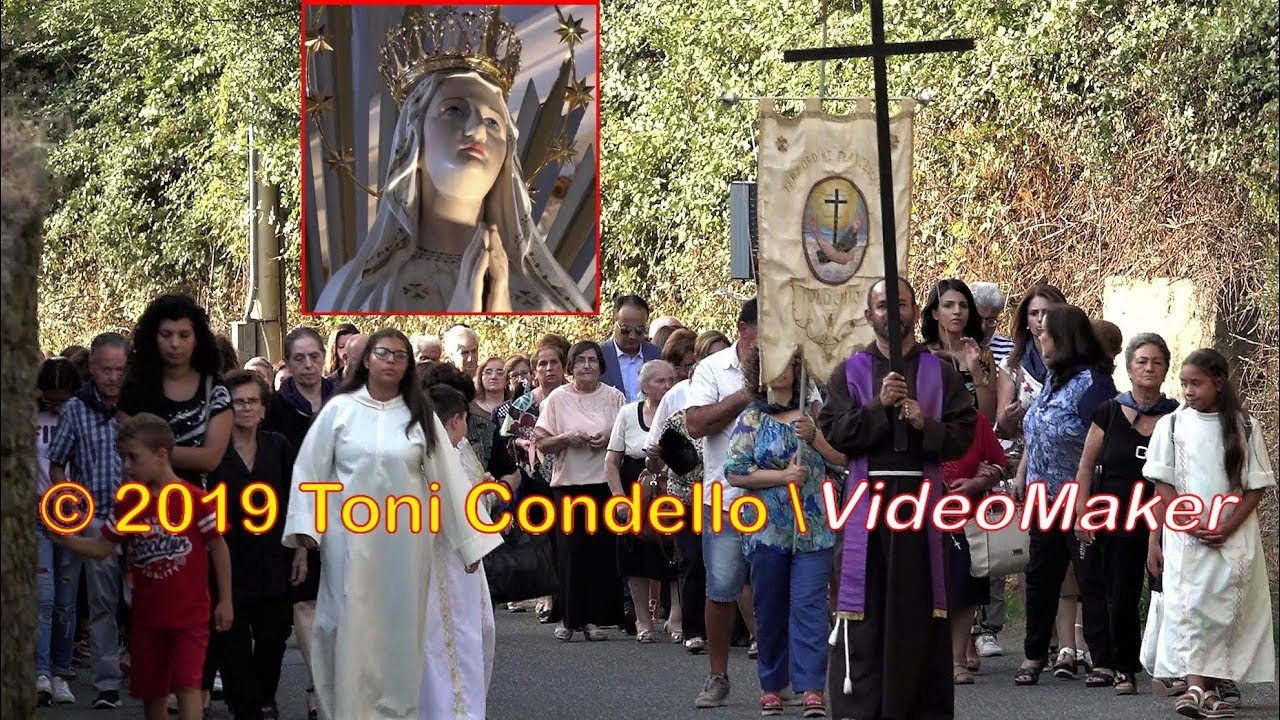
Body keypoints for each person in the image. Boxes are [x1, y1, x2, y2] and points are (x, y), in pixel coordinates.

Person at [281, 329, 502, 720]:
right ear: (366, 360)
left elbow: (449, 481)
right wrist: (305, 529)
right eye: (383, 353)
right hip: (351, 543)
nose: (391, 362)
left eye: (400, 356)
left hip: (408, 546)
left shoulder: (419, 418)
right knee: (348, 636)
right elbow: (311, 470)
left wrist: (471, 541)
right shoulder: (339, 413)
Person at [314, 7, 590, 312]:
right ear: (412, 143)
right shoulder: (360, 291)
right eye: (454, 110)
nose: (477, 131)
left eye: (493, 123)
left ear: (506, 160)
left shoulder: (544, 295)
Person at [817, 277, 977, 720]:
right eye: (883, 305)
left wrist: (926, 424)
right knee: (862, 614)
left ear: (913, 312)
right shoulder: (849, 372)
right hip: (866, 507)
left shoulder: (940, 371)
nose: (893, 313)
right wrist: (877, 408)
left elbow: (964, 435)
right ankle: (860, 709)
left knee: (918, 612)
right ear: (870, 316)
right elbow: (835, 432)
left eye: (901, 304)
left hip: (920, 508)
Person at [53, 414, 233, 720]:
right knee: (152, 693)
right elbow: (103, 547)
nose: (126, 466)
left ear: (161, 455)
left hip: (190, 616)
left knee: (187, 686)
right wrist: (66, 539)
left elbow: (218, 546)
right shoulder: (130, 503)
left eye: (133, 458)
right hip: (147, 618)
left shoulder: (195, 499)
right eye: (122, 457)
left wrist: (226, 600)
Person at [116, 293, 234, 710]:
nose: (175, 343)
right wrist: (154, 457)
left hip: (200, 504)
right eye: (166, 334)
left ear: (196, 338)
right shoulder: (135, 388)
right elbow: (128, 447)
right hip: (143, 509)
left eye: (184, 334)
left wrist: (157, 454)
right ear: (154, 336)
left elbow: (212, 456)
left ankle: (196, 694)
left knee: (198, 606)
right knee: (147, 601)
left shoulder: (214, 390)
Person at [1143, 349, 1275, 718]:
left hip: (1232, 536)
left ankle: (1209, 690)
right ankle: (1196, 686)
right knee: (1192, 608)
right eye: (1184, 383)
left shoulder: (1245, 426)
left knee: (1222, 611)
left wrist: (1228, 526)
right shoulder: (1170, 426)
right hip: (1187, 535)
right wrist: (1184, 522)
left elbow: (1256, 486)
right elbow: (1162, 483)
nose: (1188, 390)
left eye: (1196, 383)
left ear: (1218, 382)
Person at [726, 348, 847, 718]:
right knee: (771, 606)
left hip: (812, 529)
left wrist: (815, 439)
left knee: (810, 608)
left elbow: (842, 461)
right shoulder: (751, 420)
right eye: (773, 366)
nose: (781, 373)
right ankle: (772, 685)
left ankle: (811, 688)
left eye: (788, 366)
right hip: (767, 530)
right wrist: (782, 477)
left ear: (798, 373)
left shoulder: (813, 417)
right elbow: (734, 471)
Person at [1011, 304, 1117, 686]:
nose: (1039, 340)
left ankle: (1104, 659)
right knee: (1041, 576)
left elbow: (1108, 436)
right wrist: (1024, 471)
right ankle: (1034, 654)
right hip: (1043, 498)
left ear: (1064, 338)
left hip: (1079, 499)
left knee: (1091, 578)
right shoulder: (1054, 378)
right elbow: (1037, 430)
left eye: (1045, 334)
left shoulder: (1093, 384)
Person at [1071, 333, 1178, 696]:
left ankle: (1174, 668)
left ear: (1166, 370)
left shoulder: (1176, 415)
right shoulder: (1109, 411)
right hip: (1115, 515)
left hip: (1164, 515)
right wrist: (1083, 509)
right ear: (1129, 368)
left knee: (1170, 593)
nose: (1149, 368)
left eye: (1157, 362)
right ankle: (1124, 667)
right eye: (1141, 361)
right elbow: (1086, 466)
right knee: (1121, 593)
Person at [44, 333, 130, 709]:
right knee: (102, 604)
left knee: (144, 599)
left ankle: (154, 672)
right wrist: (70, 503)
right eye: (106, 369)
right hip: (96, 517)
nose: (113, 377)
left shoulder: (137, 404)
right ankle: (107, 684)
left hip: (141, 517)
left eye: (119, 370)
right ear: (92, 368)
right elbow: (57, 460)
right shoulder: (77, 409)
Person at [686, 299, 763, 709]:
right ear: (742, 328)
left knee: (780, 589)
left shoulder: (793, 365)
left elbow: (814, 416)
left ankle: (780, 677)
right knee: (721, 590)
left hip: (782, 498)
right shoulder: (712, 369)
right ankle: (718, 677)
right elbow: (696, 423)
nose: (770, 340)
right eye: (763, 330)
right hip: (726, 498)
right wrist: (748, 394)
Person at [263, 327, 338, 720]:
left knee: (340, 603)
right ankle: (319, 687)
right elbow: (278, 469)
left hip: (346, 512)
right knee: (305, 601)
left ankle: (332, 686)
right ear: (288, 363)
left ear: (324, 357)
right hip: (296, 510)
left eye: (314, 356)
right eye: (299, 358)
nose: (308, 365)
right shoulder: (276, 407)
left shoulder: (343, 398)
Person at [215, 371, 299, 720]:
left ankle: (263, 698)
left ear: (264, 408)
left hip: (273, 561)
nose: (246, 408)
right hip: (226, 564)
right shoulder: (213, 455)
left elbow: (297, 501)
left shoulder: (277, 446)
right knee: (231, 647)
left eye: (253, 401)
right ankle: (244, 705)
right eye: (238, 402)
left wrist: (302, 550)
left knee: (273, 639)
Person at [534, 340, 627, 641]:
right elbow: (542, 442)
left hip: (604, 482)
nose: (587, 366)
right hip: (569, 484)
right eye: (581, 361)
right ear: (571, 367)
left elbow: (626, 434)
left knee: (600, 553)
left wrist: (609, 435)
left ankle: (594, 620)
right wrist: (566, 437)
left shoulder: (614, 397)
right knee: (571, 553)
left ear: (601, 365)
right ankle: (568, 618)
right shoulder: (557, 399)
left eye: (593, 360)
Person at [420, 384, 498, 720]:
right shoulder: (442, 455)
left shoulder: (455, 451)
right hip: (444, 560)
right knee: (451, 641)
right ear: (456, 420)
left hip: (443, 560)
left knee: (453, 640)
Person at [604, 360, 679, 644]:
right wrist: (619, 498)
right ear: (645, 386)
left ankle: (676, 619)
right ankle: (643, 621)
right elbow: (611, 461)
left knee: (674, 552)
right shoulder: (627, 414)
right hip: (635, 490)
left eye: (671, 379)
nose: (668, 385)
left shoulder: (682, 414)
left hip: (672, 488)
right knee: (634, 556)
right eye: (661, 380)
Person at [36, 358, 83, 707]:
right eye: (49, 399)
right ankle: (40, 671)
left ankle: (61, 670)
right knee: (44, 598)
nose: (55, 406)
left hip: (73, 515)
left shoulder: (79, 417)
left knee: (67, 603)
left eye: (61, 400)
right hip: (38, 513)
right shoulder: (29, 418)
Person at [921, 278, 997, 420]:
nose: (957, 311)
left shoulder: (983, 354)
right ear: (935, 313)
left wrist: (976, 372)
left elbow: (990, 416)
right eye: (948, 305)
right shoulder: (922, 355)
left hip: (976, 436)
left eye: (963, 306)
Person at [600, 295, 663, 402]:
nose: (632, 336)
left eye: (639, 330)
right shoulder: (599, 356)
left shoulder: (657, 356)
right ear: (613, 323)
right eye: (626, 330)